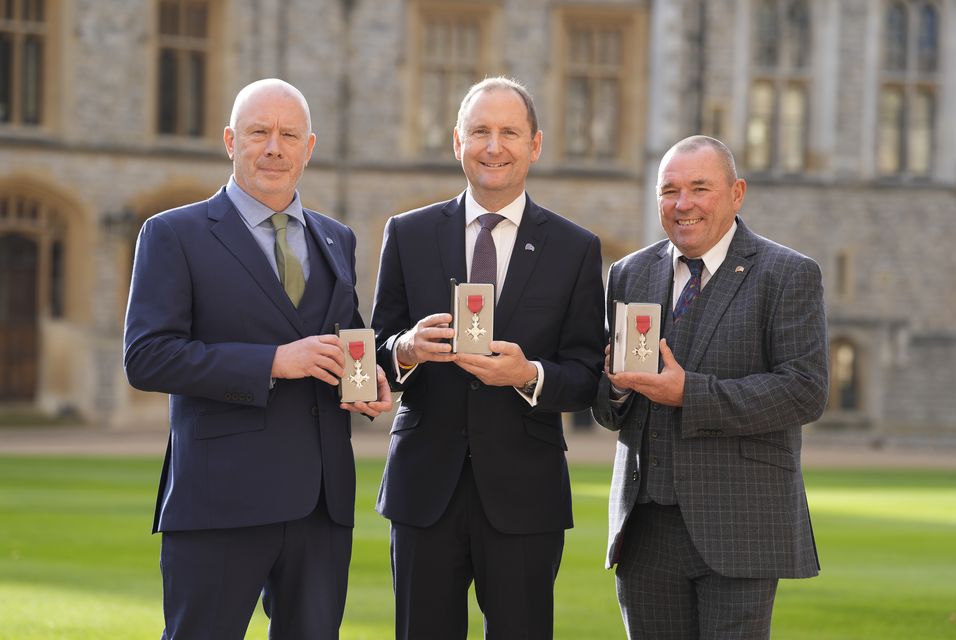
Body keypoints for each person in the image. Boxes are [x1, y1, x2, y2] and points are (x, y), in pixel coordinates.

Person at [123, 78, 391, 640]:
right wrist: (272, 362)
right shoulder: (174, 234)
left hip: (320, 505)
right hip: (220, 499)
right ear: (230, 140)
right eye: (259, 132)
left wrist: (369, 382)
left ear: (309, 147)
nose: (274, 147)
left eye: (288, 134)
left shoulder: (336, 238)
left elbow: (349, 339)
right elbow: (147, 358)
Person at [371, 77, 605, 639]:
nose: (493, 146)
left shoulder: (575, 248)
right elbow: (374, 353)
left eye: (509, 132)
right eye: (480, 131)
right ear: (457, 142)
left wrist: (530, 375)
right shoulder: (407, 233)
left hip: (526, 495)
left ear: (535, 144)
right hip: (425, 489)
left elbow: (588, 376)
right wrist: (402, 351)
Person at [593, 135, 828, 639]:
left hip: (740, 525)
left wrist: (689, 394)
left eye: (700, 187)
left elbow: (805, 390)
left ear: (737, 193)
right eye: (669, 190)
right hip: (645, 528)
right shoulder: (628, 274)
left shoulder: (788, 274)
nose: (683, 204)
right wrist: (614, 387)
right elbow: (609, 412)